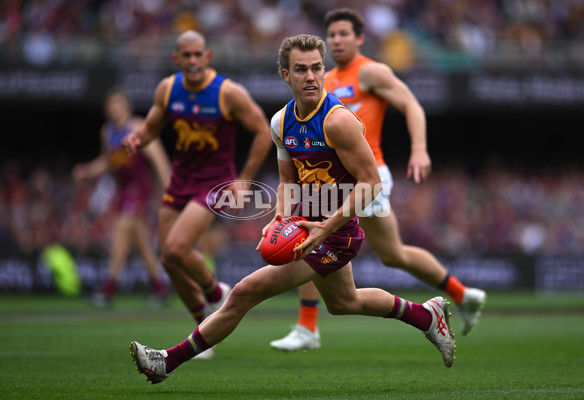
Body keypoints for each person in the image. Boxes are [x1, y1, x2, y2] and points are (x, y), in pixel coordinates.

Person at [129, 34, 455, 385]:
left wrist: (325, 228)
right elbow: (287, 182)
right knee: (344, 302)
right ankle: (426, 315)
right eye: (301, 70)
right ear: (286, 75)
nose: (311, 76)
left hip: (336, 234)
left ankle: (165, 362)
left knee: (243, 292)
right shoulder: (281, 122)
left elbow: (371, 183)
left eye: (317, 68)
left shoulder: (337, 121)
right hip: (308, 226)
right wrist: (279, 218)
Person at [270, 8, 486, 352]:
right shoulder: (324, 80)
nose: (337, 40)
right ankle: (462, 294)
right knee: (391, 254)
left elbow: (412, 105)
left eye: (344, 33)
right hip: (337, 177)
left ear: (360, 39)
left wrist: (419, 149)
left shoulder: (370, 71)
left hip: (367, 175)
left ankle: (307, 326)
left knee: (313, 225)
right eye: (333, 34)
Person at [122, 30, 272, 358]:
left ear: (208, 57)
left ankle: (215, 290)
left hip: (214, 184)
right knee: (169, 259)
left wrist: (245, 178)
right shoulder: (168, 89)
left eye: (197, 55)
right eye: (185, 56)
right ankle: (204, 328)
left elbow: (263, 130)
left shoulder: (227, 93)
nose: (192, 61)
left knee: (177, 247)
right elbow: (151, 127)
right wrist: (138, 139)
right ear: (177, 59)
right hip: (180, 182)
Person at [72, 88, 171, 307]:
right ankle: (161, 289)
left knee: (120, 231)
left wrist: (169, 190)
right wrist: (86, 171)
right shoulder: (107, 132)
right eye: (111, 105)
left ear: (127, 107)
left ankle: (108, 290)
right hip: (123, 190)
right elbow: (107, 162)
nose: (115, 109)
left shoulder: (136, 128)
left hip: (139, 190)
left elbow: (159, 158)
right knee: (141, 242)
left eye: (119, 104)